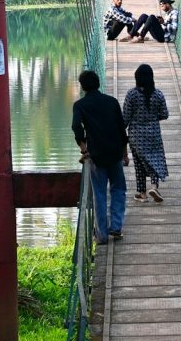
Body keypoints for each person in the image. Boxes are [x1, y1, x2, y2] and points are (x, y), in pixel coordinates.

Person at [71, 70, 130, 244]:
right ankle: (116, 227)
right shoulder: (112, 102)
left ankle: (102, 235)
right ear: (98, 83)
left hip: (96, 155)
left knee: (99, 193)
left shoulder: (80, 105)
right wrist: (125, 154)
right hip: (114, 153)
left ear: (82, 87)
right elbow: (121, 129)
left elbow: (76, 126)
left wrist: (83, 149)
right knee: (118, 189)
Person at [122, 64, 169, 203]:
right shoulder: (158, 94)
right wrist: (153, 118)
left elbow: (125, 118)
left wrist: (119, 132)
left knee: (139, 163)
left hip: (136, 135)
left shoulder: (131, 94)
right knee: (155, 159)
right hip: (153, 134)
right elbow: (165, 114)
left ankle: (142, 193)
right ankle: (154, 186)